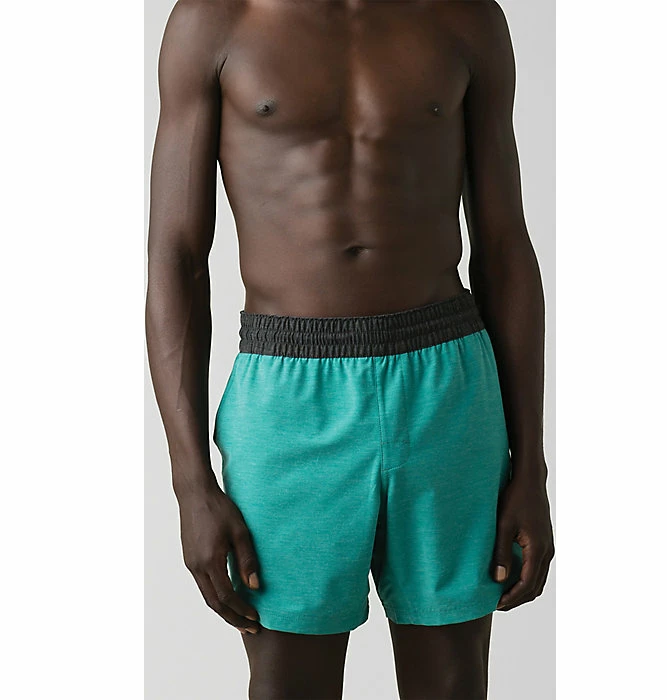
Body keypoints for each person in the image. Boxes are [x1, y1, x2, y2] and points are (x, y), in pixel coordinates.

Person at [146, 0, 554, 697]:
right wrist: (190, 483)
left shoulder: (464, 17)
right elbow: (176, 258)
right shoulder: (215, 20)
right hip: (287, 395)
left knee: (453, 683)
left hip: (445, 383)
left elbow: (505, 248)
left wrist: (531, 469)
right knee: (288, 683)